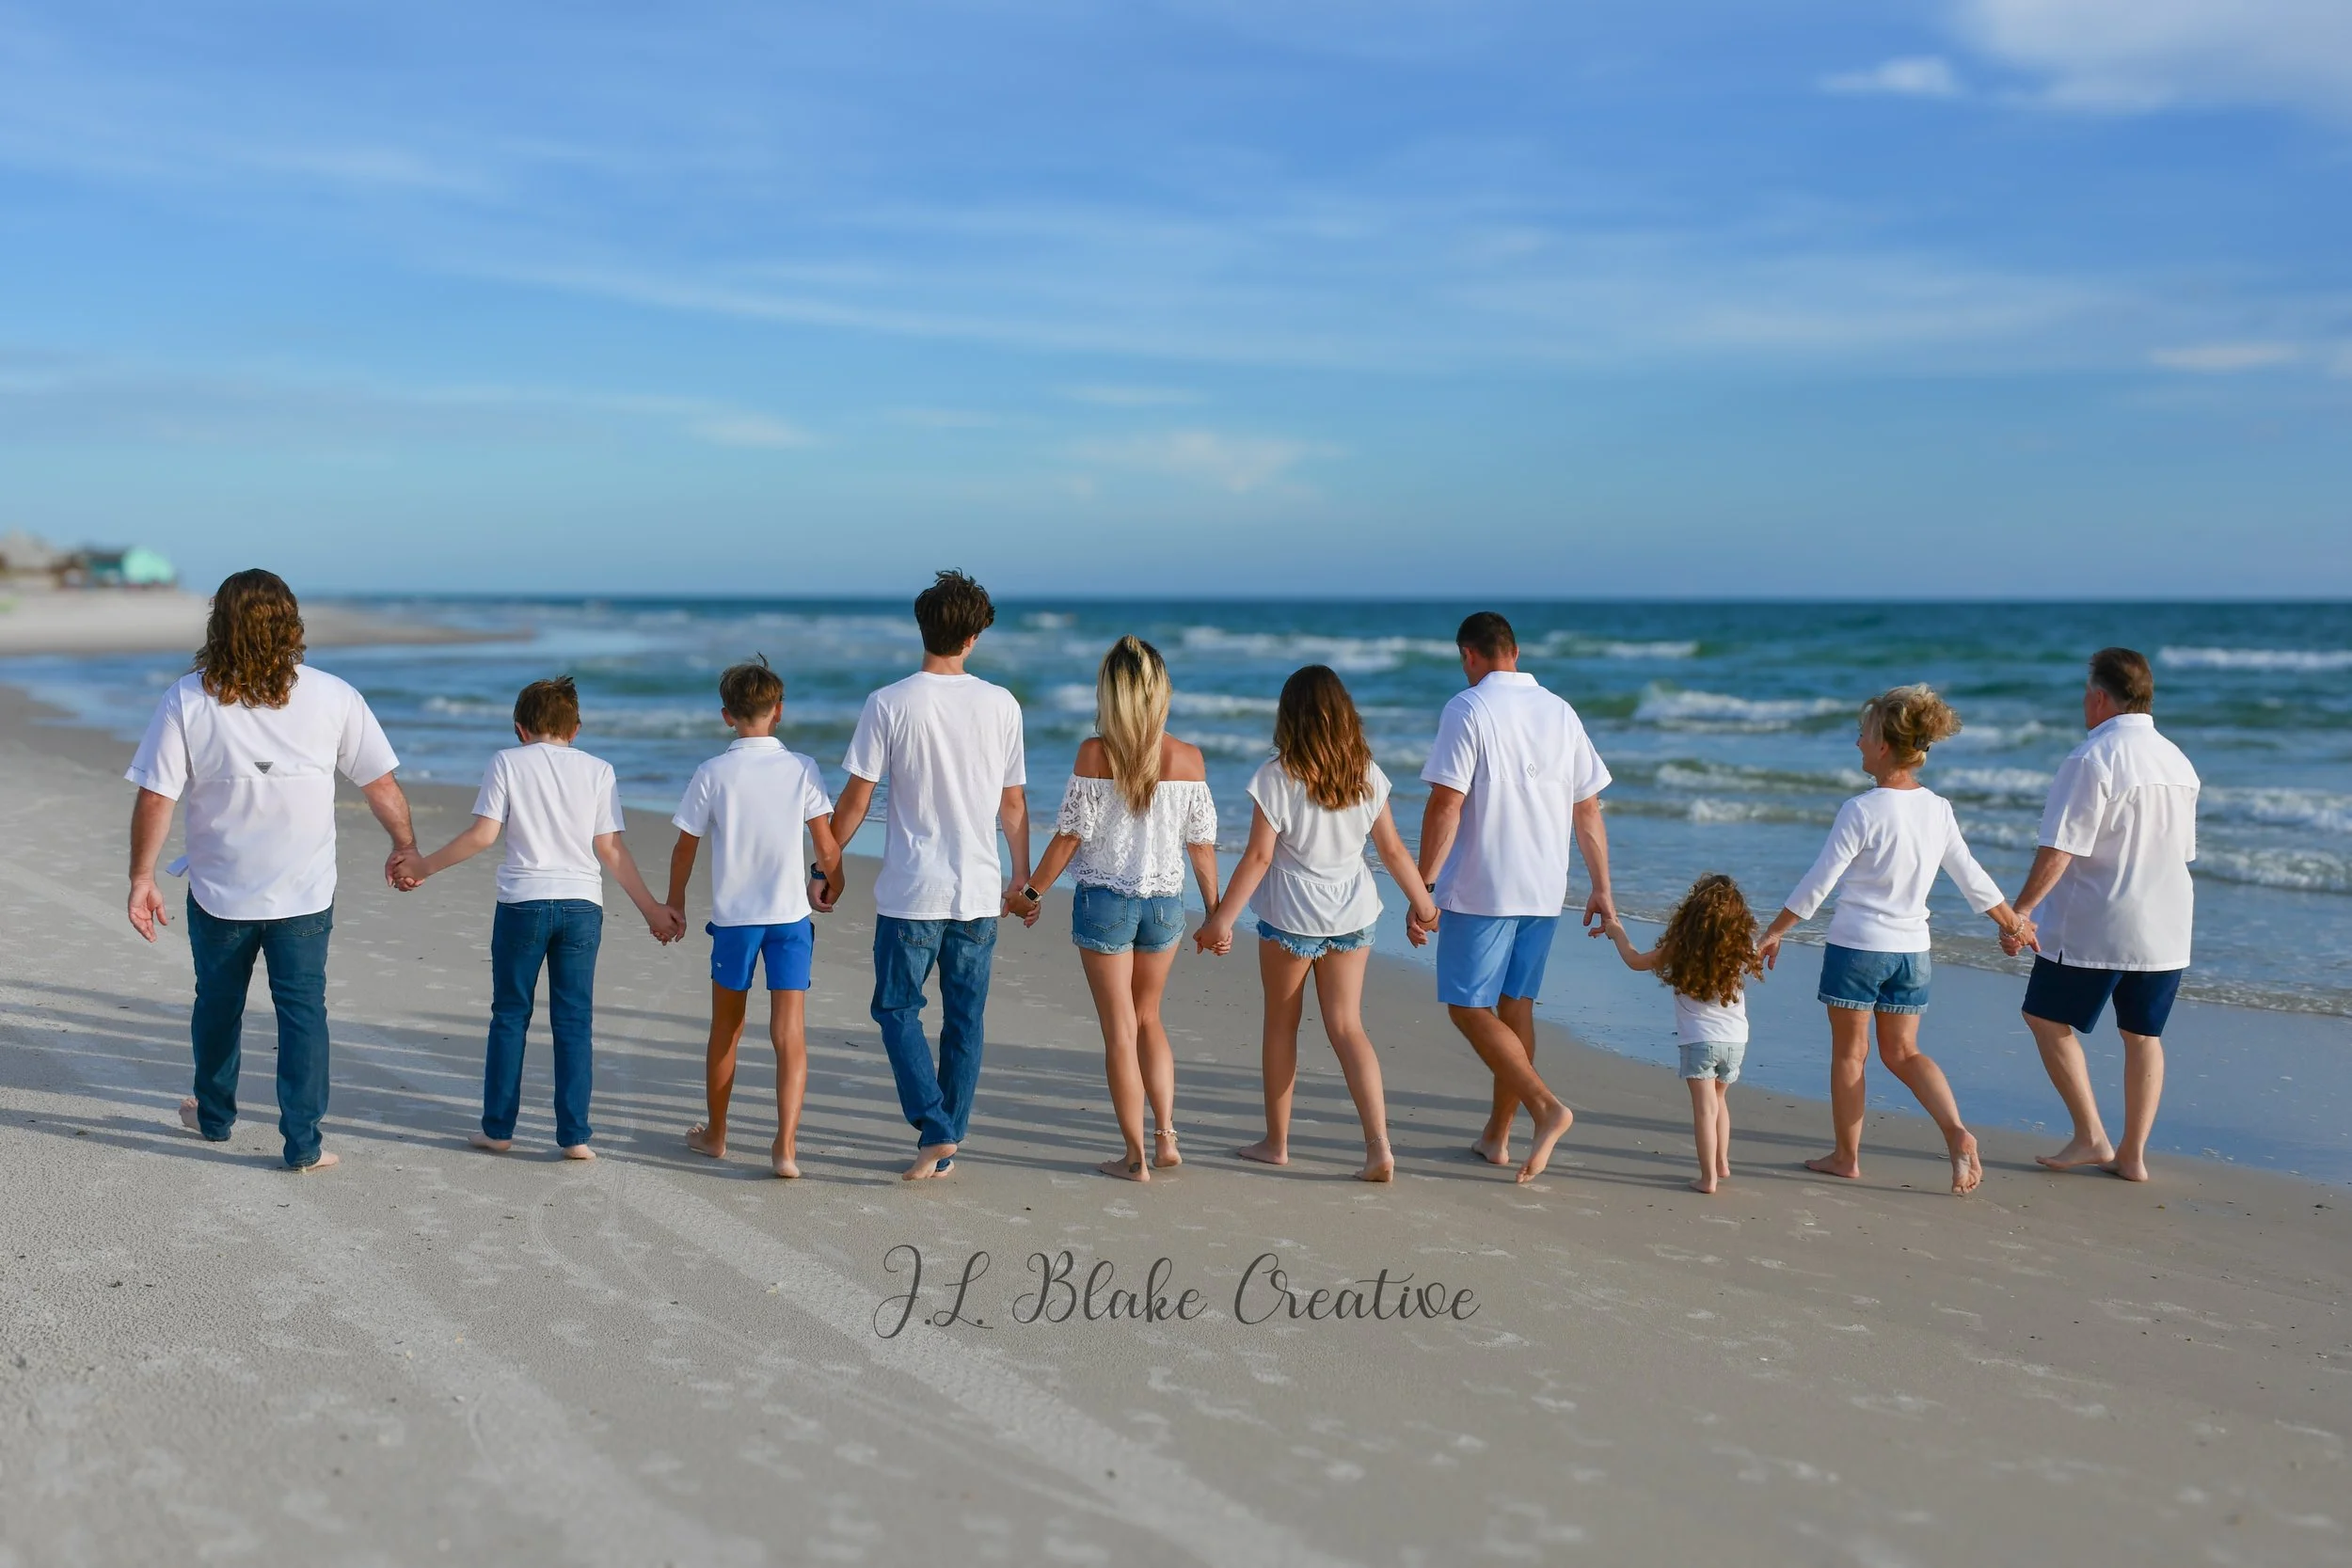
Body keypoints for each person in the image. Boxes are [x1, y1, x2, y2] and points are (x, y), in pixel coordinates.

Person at [124, 568, 417, 1172]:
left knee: (217, 1004)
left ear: (220, 624)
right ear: (291, 624)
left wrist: (142, 879)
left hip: (219, 889)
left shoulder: (188, 698)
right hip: (303, 889)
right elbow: (380, 784)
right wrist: (404, 845)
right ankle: (303, 1144)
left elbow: (157, 796)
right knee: (303, 1012)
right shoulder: (333, 695)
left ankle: (213, 1117)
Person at [1756, 685, 2036, 1196]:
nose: (1857, 743)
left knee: (1851, 1055)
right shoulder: (1938, 809)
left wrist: (1775, 931)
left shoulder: (1861, 810)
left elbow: (1819, 882)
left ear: (1884, 746)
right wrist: (2012, 923)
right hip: (1912, 953)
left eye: (1863, 735)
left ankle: (1846, 1157)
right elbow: (1971, 877)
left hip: (1858, 949)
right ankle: (1956, 1131)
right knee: (1904, 1053)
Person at [398, 676, 682, 1159]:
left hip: (523, 903)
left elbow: (483, 835)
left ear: (519, 728)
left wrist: (423, 867)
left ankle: (498, 1129)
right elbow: (610, 849)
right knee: (574, 1021)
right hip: (581, 906)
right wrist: (652, 910)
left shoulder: (507, 762)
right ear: (576, 728)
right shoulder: (599, 770)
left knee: (511, 1015)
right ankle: (575, 1136)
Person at [827, 571, 1031, 1181]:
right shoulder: (1002, 703)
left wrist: (827, 861)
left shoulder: (888, 702)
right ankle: (945, 1141)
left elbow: (857, 798)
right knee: (964, 1021)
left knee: (896, 1009)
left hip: (913, 890)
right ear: (972, 638)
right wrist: (1022, 878)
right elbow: (1013, 803)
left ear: (922, 628)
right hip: (977, 889)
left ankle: (938, 1130)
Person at [1196, 664, 1437, 1182]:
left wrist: (1221, 921)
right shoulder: (1366, 772)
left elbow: (1259, 857)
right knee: (1348, 1027)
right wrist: (1425, 906)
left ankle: (1277, 1143)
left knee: (1281, 1026)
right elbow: (1393, 850)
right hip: (1352, 913)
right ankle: (1379, 1147)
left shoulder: (1276, 776)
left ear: (1289, 716)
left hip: (1292, 917)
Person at [1407, 611, 1609, 1184]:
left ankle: (1546, 1108)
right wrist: (1601, 886)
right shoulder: (1561, 711)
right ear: (1515, 652)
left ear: (1468, 655)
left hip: (1484, 886)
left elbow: (1446, 803)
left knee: (1469, 1008)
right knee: (1515, 1006)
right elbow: (1587, 809)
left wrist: (1423, 885)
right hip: (1545, 887)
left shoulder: (1468, 708)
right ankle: (1496, 1137)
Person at [1014, 637, 1220, 1181]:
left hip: (1105, 901)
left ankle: (1134, 1158)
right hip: (1165, 905)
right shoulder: (1189, 758)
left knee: (1120, 1030)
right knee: (1149, 1019)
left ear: (1111, 694)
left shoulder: (1095, 753)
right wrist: (1215, 913)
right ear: (1161, 692)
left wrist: (1031, 893)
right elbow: (1201, 846)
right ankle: (1166, 1138)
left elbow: (1070, 836)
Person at [2003, 647, 2200, 1183]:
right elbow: (2182, 851)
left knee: (2044, 1016)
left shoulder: (2093, 758)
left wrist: (2022, 911)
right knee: (2143, 1035)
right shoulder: (2179, 761)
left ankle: (2091, 1134)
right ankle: (2132, 1155)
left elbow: (2061, 846)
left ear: (2098, 698)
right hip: (2167, 922)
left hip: (2099, 920)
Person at [663, 657, 843, 1179]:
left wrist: (675, 903)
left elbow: (685, 847)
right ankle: (785, 1147)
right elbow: (826, 844)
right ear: (778, 711)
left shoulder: (712, 772)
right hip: (789, 918)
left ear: (727, 716)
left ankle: (717, 1135)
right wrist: (834, 880)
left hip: (736, 920)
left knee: (727, 1028)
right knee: (790, 1033)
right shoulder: (802, 768)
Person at [1594, 875, 1763, 1195]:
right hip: (1736, 1040)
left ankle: (1708, 1178)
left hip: (1700, 1041)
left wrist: (1617, 932)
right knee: (1720, 1101)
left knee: (1704, 1109)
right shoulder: (1743, 948)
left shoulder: (1681, 947)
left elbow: (1635, 961)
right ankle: (1722, 1163)